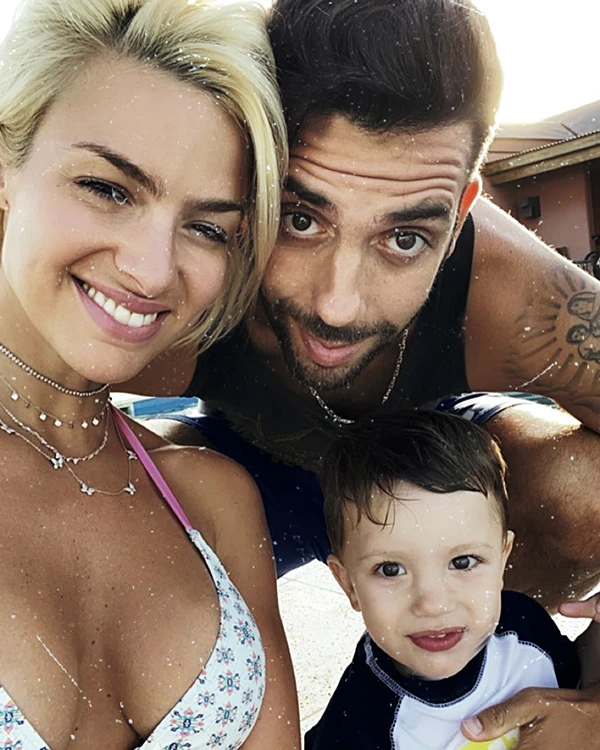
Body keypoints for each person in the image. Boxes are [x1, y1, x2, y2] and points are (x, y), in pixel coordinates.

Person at [0, 0, 300, 748]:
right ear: (6, 169)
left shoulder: (214, 502)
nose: (153, 270)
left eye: (206, 227)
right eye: (108, 188)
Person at [305, 411, 584, 750]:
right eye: (391, 569)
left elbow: (578, 688)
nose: (434, 604)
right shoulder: (354, 727)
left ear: (502, 559)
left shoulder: (526, 628)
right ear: (349, 584)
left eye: (462, 562)